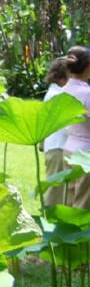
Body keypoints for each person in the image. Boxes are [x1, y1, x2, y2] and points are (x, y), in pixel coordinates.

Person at [62, 46, 90, 209]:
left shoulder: (64, 90)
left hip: (68, 147)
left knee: (69, 200)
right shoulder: (86, 94)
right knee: (83, 204)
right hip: (86, 153)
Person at [42, 58, 69, 206]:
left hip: (56, 146)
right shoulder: (57, 95)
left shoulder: (54, 92)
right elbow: (65, 126)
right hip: (58, 147)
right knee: (55, 191)